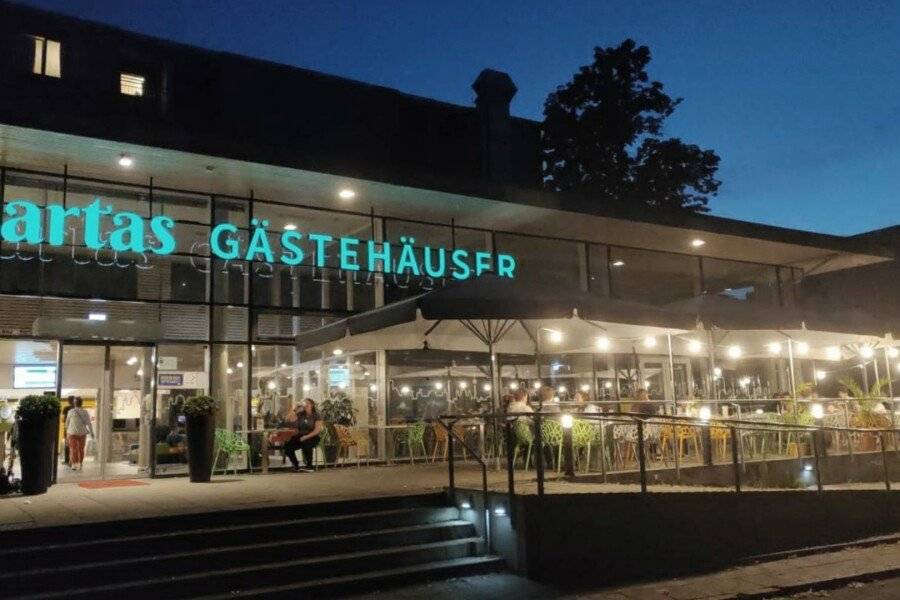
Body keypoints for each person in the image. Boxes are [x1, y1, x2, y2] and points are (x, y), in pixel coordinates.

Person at [284, 398, 324, 472]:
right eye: (304, 403)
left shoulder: (316, 415)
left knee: (307, 443)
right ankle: (296, 464)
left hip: (313, 436)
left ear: (312, 405)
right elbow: (287, 419)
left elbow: (317, 430)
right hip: (301, 435)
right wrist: (295, 410)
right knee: (288, 446)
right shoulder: (301, 414)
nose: (305, 404)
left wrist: (306, 437)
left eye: (307, 403)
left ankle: (309, 466)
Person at [65, 397, 93, 471]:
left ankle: (75, 464)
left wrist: (66, 433)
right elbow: (89, 423)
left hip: (72, 433)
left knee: (74, 449)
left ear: (74, 403)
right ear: (81, 403)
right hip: (82, 433)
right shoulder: (85, 412)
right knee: (81, 449)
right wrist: (92, 433)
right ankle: (79, 463)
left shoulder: (70, 411)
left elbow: (67, 423)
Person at [61, 396, 75, 467]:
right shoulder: (78, 409)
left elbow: (63, 420)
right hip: (76, 430)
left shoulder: (66, 408)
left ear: (68, 401)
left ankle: (67, 460)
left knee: (68, 445)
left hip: (68, 429)